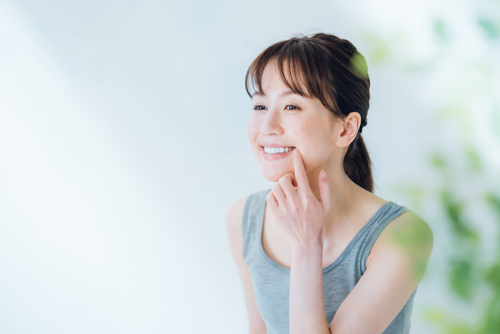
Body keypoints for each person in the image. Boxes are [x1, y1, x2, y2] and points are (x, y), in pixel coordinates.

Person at [226, 32, 434, 334]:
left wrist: (307, 243)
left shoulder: (403, 235)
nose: (267, 127)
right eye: (260, 106)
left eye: (291, 107)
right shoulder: (243, 219)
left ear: (346, 129)